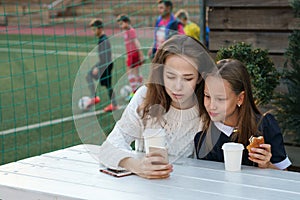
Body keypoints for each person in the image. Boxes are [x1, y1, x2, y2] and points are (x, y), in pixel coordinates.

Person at [99, 35, 215, 179]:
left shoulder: (209, 105)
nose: (177, 87)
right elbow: (108, 147)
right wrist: (137, 166)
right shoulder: (145, 96)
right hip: (147, 188)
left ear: (199, 77)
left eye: (187, 78)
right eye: (171, 76)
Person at [194, 59, 292, 170]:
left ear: (240, 98)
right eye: (207, 96)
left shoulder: (265, 126)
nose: (212, 106)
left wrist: (267, 165)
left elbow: (284, 175)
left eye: (220, 99)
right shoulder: (203, 137)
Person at [86, 18, 118, 112]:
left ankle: (114, 104)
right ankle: (94, 97)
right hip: (105, 64)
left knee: (108, 85)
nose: (93, 32)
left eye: (94, 29)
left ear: (100, 29)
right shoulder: (102, 39)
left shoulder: (103, 40)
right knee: (89, 76)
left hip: (106, 65)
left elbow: (105, 58)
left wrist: (98, 67)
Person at [117, 14, 144, 100]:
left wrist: (141, 54)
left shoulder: (130, 31)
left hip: (133, 54)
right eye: (119, 24)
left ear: (127, 22)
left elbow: (136, 42)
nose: (121, 26)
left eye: (122, 24)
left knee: (129, 72)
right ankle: (140, 89)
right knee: (136, 72)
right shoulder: (127, 31)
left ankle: (134, 92)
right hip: (131, 54)